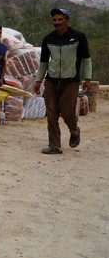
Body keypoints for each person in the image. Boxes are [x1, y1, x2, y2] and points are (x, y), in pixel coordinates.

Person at [34, 8, 92, 155]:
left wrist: (87, 79)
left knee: (67, 112)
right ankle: (54, 145)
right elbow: (43, 62)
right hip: (51, 81)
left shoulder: (78, 37)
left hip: (71, 81)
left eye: (60, 19)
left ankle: (74, 130)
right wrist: (38, 80)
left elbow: (86, 60)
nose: (57, 23)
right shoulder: (48, 39)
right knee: (52, 113)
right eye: (54, 20)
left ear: (67, 20)